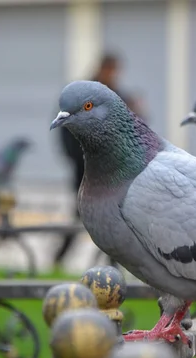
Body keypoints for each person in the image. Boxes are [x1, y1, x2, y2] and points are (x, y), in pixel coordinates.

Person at [53, 53, 144, 264]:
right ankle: (60, 257)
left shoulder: (119, 96)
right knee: (81, 214)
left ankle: (112, 264)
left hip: (114, 173)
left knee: (114, 217)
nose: (113, 74)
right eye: (111, 70)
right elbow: (66, 129)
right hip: (85, 170)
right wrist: (79, 158)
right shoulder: (82, 95)